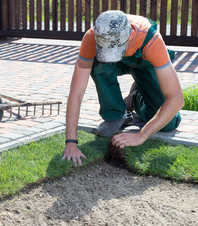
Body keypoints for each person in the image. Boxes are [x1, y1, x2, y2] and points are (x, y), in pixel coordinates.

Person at [62, 10, 184, 165]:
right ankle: (115, 114)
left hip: (144, 62)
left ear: (131, 36)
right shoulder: (92, 37)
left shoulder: (151, 40)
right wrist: (71, 142)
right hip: (110, 66)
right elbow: (76, 92)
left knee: (169, 124)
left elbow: (176, 99)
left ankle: (135, 99)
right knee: (97, 65)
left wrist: (141, 135)